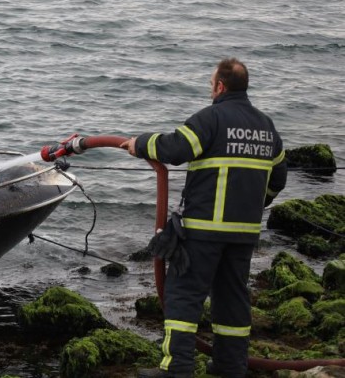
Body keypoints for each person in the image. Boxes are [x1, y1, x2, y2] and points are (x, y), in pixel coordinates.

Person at [115, 58, 288, 378]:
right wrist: (255, 205)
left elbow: (176, 148)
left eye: (212, 84)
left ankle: (176, 369)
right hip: (244, 234)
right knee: (232, 298)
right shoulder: (267, 127)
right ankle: (229, 366)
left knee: (183, 294)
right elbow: (279, 178)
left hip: (203, 231)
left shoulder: (212, 118)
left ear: (220, 87)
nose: (211, 89)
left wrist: (140, 143)